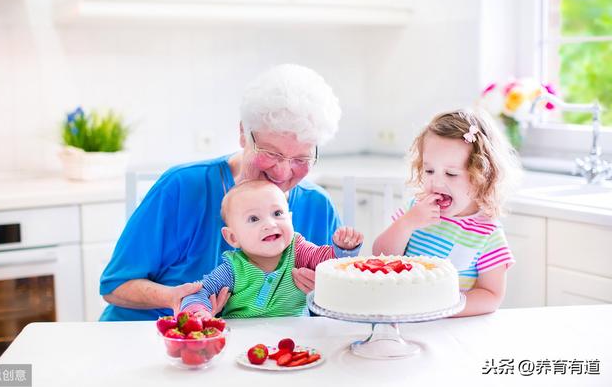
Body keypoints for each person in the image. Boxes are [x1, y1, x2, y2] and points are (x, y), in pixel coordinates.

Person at [100, 64, 345, 321]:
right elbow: (115, 286)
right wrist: (174, 298)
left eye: (301, 158)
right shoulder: (182, 187)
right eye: (271, 153)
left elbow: (341, 300)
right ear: (243, 134)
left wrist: (327, 294)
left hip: (258, 352)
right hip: (154, 337)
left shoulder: (317, 205)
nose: (284, 173)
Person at [373, 108, 521, 317]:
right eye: (429, 170)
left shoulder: (487, 233)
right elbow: (381, 255)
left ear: (482, 177)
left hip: (448, 328)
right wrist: (407, 223)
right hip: (404, 319)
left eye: (451, 173)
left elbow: (491, 294)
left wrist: (444, 307)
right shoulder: (414, 210)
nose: (437, 182)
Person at [180, 180, 362, 318]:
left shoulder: (298, 250)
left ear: (290, 219)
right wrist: (198, 312)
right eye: (253, 219)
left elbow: (328, 262)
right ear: (233, 237)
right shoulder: (232, 269)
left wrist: (344, 248)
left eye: (277, 213)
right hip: (242, 343)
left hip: (294, 342)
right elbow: (200, 292)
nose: (270, 223)